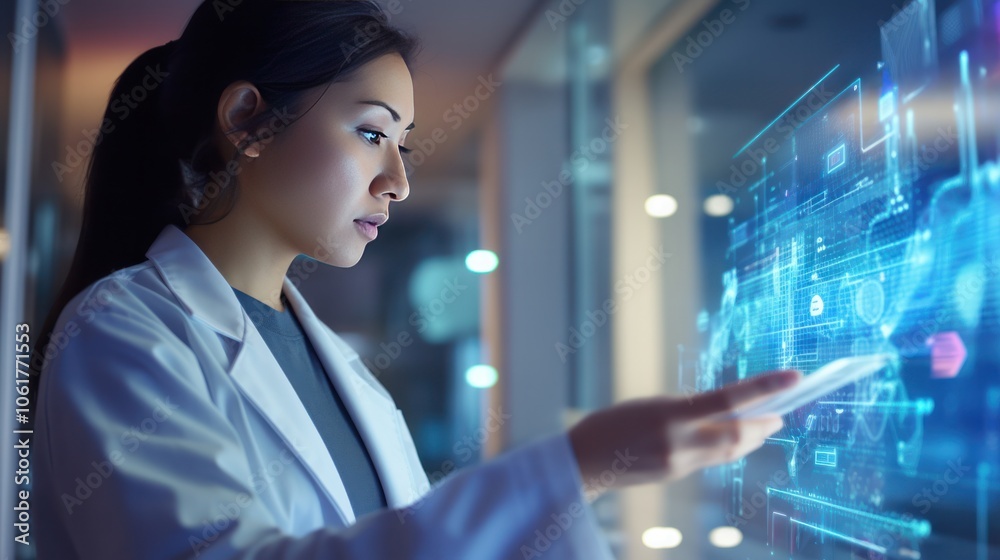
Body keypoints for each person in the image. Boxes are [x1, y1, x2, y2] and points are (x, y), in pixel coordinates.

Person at [29, 1, 801, 558]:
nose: (396, 180)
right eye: (370, 133)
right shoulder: (122, 334)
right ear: (247, 121)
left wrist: (584, 482)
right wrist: (577, 463)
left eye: (402, 144)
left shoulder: (335, 364)